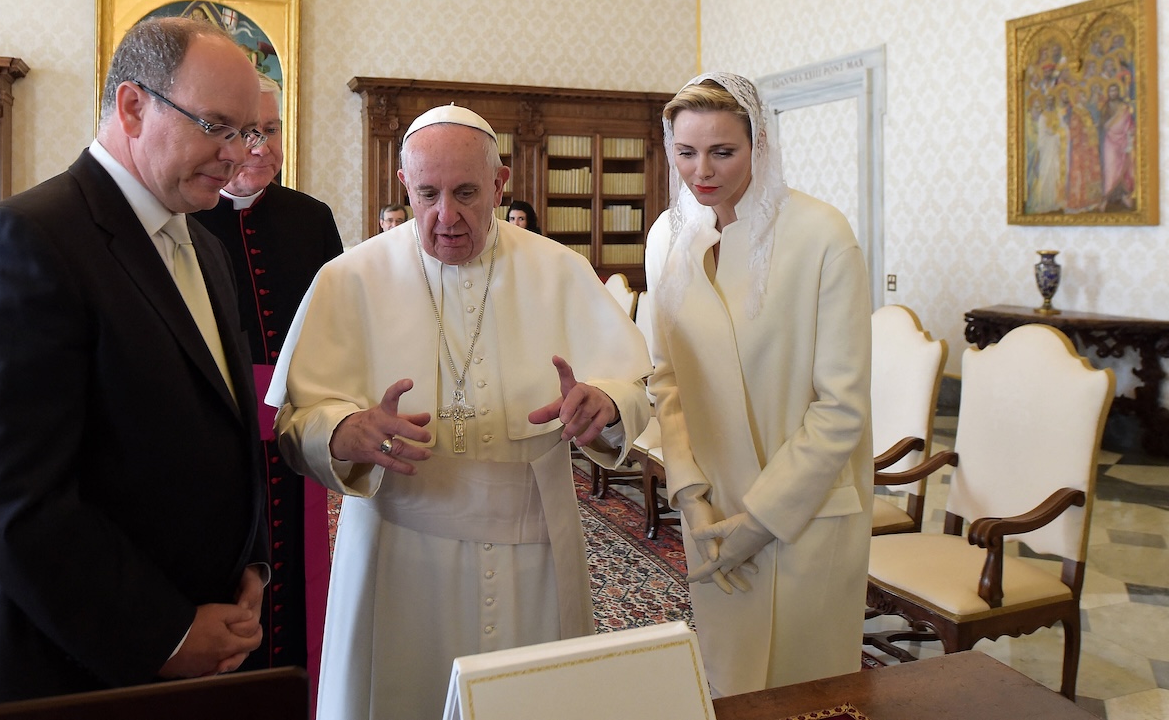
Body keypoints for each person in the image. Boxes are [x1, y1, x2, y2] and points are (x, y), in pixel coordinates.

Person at [267, 104, 652, 720]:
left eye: (467, 193)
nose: (446, 217)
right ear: (403, 186)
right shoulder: (350, 279)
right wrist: (344, 430)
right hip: (399, 552)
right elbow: (298, 421)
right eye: (428, 194)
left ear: (500, 184)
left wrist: (605, 405)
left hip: (537, 548)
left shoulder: (560, 271)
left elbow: (633, 385)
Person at [0, 16, 269, 705]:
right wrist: (165, 632)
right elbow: (13, 502)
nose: (237, 155)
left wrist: (250, 565)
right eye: (217, 126)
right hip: (76, 667)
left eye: (247, 132)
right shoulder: (26, 241)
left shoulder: (207, 247)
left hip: (204, 644)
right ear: (134, 106)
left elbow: (222, 427)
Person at [645, 73, 872, 696]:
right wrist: (689, 491)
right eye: (685, 152)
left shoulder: (822, 235)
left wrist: (761, 518)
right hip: (712, 504)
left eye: (723, 151)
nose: (702, 171)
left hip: (806, 509)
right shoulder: (666, 236)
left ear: (760, 143)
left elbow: (842, 406)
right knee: (731, 682)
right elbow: (665, 377)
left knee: (807, 691)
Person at [195, 73, 344, 687]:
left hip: (294, 430)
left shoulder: (311, 219)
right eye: (245, 131)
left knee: (295, 576)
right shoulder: (187, 221)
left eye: (272, 130)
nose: (260, 146)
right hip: (212, 437)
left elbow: (337, 329)